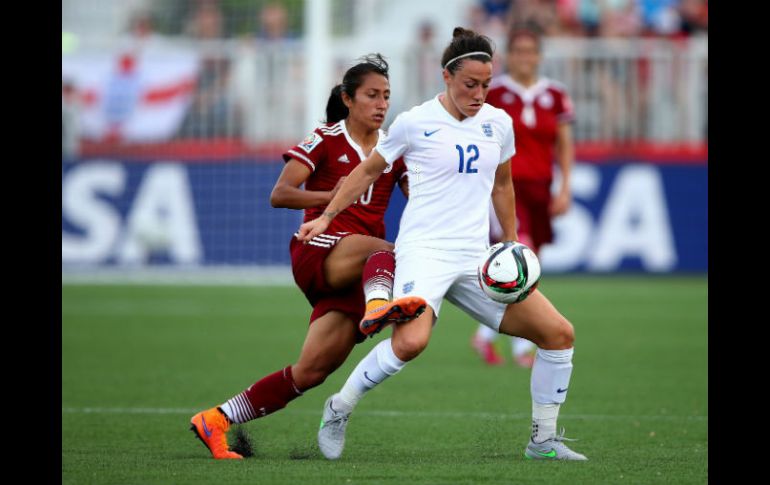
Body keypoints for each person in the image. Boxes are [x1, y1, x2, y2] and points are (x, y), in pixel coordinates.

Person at [298, 27, 586, 461]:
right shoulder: (414, 122)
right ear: (446, 76)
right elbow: (367, 172)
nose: (479, 93)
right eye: (471, 84)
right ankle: (339, 408)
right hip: (424, 252)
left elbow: (502, 186)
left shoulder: (498, 123)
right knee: (411, 343)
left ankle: (542, 441)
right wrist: (326, 216)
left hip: (476, 257)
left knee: (559, 334)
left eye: (487, 84)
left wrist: (508, 243)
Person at [189, 54, 426, 459]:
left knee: (310, 372)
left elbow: (422, 199)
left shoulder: (392, 148)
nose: (382, 103)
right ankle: (378, 307)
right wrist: (331, 197)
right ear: (348, 99)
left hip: (363, 270)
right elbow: (280, 193)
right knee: (389, 251)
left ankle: (216, 419)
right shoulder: (326, 139)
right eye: (372, 95)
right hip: (320, 247)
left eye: (386, 95)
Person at [471, 28, 576, 368]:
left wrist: (564, 187)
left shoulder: (555, 95)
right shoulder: (495, 92)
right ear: (510, 56)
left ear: (539, 55)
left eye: (531, 51)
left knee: (529, 267)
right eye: (518, 51)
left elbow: (563, 144)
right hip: (505, 187)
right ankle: (520, 349)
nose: (525, 57)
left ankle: (484, 335)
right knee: (520, 255)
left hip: (541, 187)